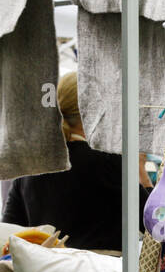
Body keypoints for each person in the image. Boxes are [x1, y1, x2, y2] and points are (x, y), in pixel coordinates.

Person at [2, 72, 151, 251]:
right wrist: (142, 174)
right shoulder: (108, 161)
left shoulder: (31, 165)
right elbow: (153, 222)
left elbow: (10, 234)